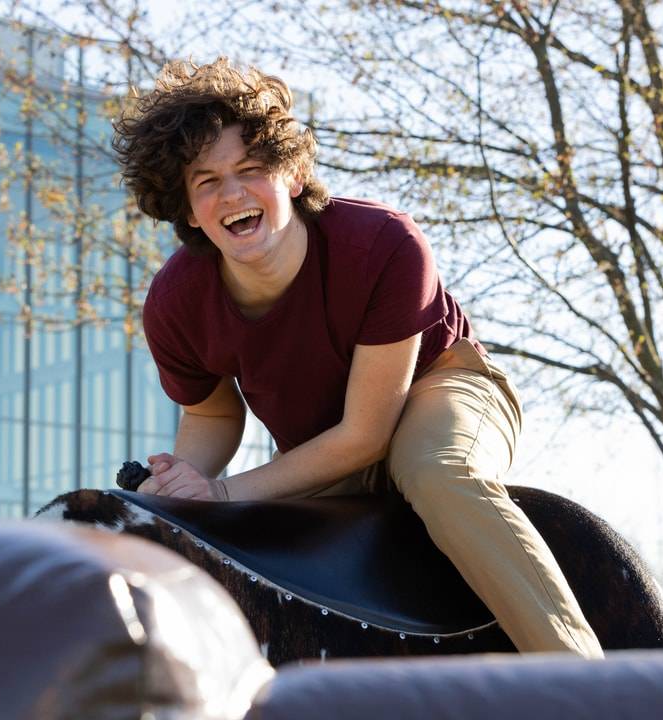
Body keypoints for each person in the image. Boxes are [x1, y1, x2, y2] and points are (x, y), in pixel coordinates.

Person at [112, 57, 603, 658]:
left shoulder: (384, 242)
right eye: (206, 181)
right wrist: (176, 493)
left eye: (251, 169)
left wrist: (222, 495)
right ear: (188, 210)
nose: (233, 193)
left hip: (438, 389)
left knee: (437, 471)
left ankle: (583, 676)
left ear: (293, 175)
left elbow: (368, 434)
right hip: (322, 444)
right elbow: (213, 415)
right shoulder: (174, 302)